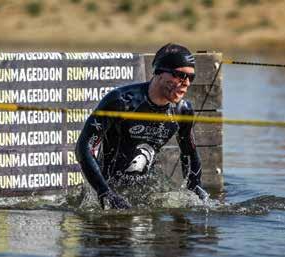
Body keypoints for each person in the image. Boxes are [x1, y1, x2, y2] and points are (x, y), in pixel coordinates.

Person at [75, 43, 208, 210]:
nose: (186, 83)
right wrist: (104, 192)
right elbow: (83, 147)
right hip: (109, 186)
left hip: (145, 190)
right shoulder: (122, 101)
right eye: (180, 75)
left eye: (191, 78)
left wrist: (195, 189)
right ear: (159, 72)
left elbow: (189, 153)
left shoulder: (182, 110)